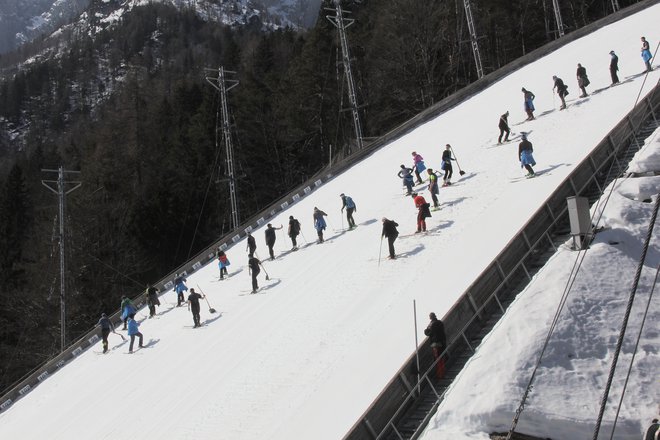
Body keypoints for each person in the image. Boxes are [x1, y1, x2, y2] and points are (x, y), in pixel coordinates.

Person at [424, 312, 447, 378]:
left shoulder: (431, 325)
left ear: (431, 317)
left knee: (438, 360)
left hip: (435, 344)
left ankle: (440, 375)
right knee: (441, 358)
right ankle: (443, 373)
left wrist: (426, 331)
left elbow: (428, 333)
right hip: (442, 342)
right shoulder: (440, 322)